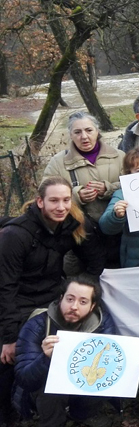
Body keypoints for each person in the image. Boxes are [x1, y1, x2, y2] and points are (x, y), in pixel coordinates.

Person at [0, 177, 104, 424]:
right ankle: (7, 414)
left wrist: (77, 292)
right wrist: (8, 338)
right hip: (17, 300)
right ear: (39, 202)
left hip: (53, 298)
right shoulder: (15, 235)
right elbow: (5, 288)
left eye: (66, 200)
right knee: (8, 359)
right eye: (53, 200)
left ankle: (77, 408)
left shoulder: (74, 224)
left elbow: (95, 260)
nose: (61, 207)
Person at [12, 276, 139, 427]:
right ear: (61, 299)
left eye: (83, 302)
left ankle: (81, 416)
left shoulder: (102, 323)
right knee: (51, 384)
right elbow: (24, 378)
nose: (74, 306)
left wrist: (130, 368)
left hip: (83, 382)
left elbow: (110, 363)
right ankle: (52, 422)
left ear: (92, 306)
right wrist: (45, 358)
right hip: (42, 392)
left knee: (97, 377)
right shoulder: (37, 324)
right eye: (70, 299)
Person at [42, 112, 125, 270]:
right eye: (77, 132)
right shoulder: (58, 162)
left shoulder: (119, 157)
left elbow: (134, 188)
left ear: (97, 131)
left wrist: (109, 188)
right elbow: (45, 194)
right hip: (79, 238)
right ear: (70, 135)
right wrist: (75, 195)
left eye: (89, 130)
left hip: (119, 234)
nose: (84, 137)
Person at [98, 149, 139, 268]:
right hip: (137, 258)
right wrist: (116, 216)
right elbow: (105, 226)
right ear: (129, 173)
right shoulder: (122, 194)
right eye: (138, 170)